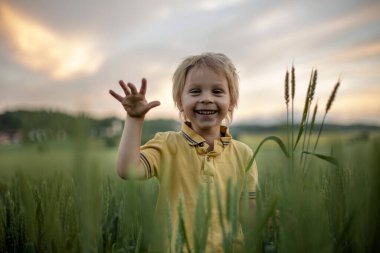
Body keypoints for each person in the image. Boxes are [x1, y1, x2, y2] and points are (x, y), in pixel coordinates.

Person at [109, 52, 258, 252]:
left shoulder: (244, 154)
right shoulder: (167, 144)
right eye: (195, 91)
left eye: (217, 91)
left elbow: (248, 216)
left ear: (231, 101)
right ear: (180, 101)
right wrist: (135, 119)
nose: (206, 98)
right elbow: (128, 170)